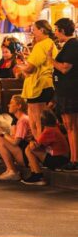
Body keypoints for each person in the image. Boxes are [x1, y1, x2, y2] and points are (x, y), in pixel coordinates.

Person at [15, 20, 57, 140]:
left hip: (38, 86)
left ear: (42, 30)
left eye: (34, 30)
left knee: (37, 120)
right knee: (44, 119)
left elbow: (29, 69)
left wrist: (20, 66)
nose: (33, 33)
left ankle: (40, 145)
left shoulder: (41, 45)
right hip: (48, 85)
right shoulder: (50, 43)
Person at [49, 18, 77, 171]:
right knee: (69, 125)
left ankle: (75, 159)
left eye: (56, 30)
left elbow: (65, 68)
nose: (55, 33)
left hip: (70, 91)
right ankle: (73, 158)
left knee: (72, 126)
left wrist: (51, 60)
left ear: (63, 30)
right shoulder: (68, 46)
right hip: (64, 91)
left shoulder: (73, 45)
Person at [22, 110, 70, 185]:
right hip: (62, 158)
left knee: (29, 149)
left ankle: (37, 175)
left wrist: (31, 140)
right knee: (30, 148)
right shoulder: (54, 127)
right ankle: (35, 173)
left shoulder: (49, 130)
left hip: (59, 160)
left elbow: (36, 145)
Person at [0, 95, 32, 181]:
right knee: (0, 140)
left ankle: (12, 171)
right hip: (23, 152)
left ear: (19, 106)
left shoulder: (23, 120)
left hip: (26, 155)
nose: (8, 105)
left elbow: (15, 142)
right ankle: (9, 169)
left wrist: (2, 133)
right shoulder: (19, 120)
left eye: (11, 103)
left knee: (0, 140)